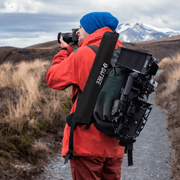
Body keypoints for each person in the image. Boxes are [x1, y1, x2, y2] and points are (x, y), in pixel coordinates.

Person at [46, 12, 124, 180]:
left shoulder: (83, 54)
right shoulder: (123, 55)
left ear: (91, 29)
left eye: (81, 27)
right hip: (115, 144)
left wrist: (65, 50)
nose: (78, 32)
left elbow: (53, 79)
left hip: (87, 142)